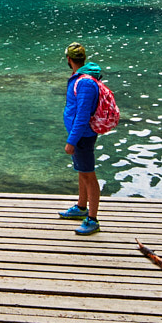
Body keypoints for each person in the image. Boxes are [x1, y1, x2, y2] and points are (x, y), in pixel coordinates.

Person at [60, 42, 102, 235]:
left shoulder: (84, 82)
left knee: (88, 174)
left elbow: (83, 115)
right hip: (80, 136)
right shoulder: (80, 78)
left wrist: (72, 141)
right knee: (81, 171)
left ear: (69, 59)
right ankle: (81, 207)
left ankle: (92, 219)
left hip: (82, 136)